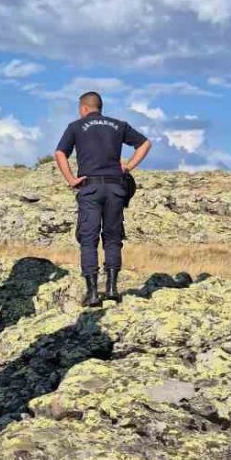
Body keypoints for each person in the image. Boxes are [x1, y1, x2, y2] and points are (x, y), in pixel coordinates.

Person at [54, 91, 152, 307]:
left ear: (83, 108)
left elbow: (60, 153)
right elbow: (145, 143)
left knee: (88, 239)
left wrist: (71, 179)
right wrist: (128, 166)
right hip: (116, 187)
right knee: (113, 237)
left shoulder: (76, 126)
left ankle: (92, 294)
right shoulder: (118, 125)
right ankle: (112, 289)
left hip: (90, 187)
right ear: (100, 107)